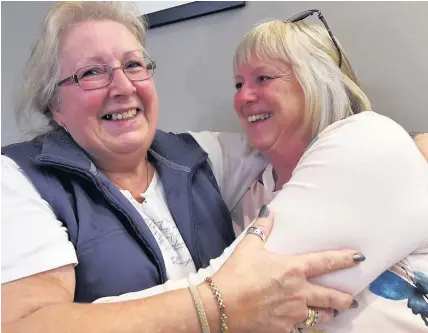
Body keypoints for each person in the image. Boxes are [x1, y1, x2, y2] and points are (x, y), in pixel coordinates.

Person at [1, 2, 427, 332]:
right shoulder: (20, 179)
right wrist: (218, 304)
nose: (124, 86)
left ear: (318, 81)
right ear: (55, 106)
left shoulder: (193, 159)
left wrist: (403, 150)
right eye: (92, 72)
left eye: (134, 64)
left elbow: (359, 155)